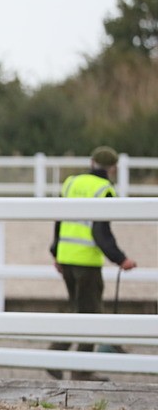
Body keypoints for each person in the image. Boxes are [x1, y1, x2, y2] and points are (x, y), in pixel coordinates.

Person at [46, 146, 137, 380]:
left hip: (66, 256)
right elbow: (100, 231)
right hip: (86, 261)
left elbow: (59, 220)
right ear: (113, 168)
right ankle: (80, 370)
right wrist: (120, 258)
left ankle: (55, 359)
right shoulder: (104, 189)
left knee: (77, 310)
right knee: (91, 315)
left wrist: (56, 251)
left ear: (91, 162)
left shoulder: (71, 182)